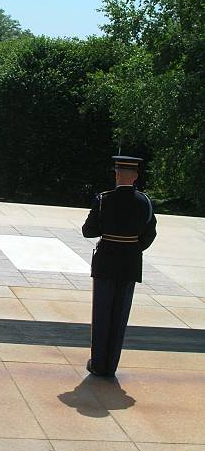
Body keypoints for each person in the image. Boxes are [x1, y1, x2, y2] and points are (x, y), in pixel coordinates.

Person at [82, 155, 157, 377]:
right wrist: (133, 248)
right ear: (135, 177)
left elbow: (89, 230)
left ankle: (98, 364)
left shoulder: (104, 199)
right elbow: (150, 233)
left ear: (117, 175)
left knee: (102, 313)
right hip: (130, 262)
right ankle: (111, 365)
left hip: (106, 261)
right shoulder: (145, 202)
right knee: (120, 314)